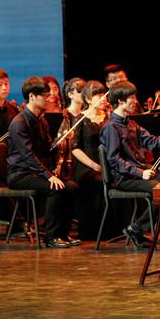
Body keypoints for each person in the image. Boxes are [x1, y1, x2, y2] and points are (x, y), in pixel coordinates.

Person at [99, 81, 160, 249]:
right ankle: (136, 229)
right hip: (125, 178)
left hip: (142, 173)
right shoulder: (110, 127)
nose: (135, 101)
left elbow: (152, 141)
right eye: (132, 98)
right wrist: (140, 172)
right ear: (121, 101)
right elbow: (114, 159)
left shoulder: (131, 124)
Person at [6, 77, 80, 248]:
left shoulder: (41, 120)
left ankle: (63, 233)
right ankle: (51, 236)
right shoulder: (19, 123)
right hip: (20, 174)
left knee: (72, 187)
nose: (48, 98)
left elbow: (47, 149)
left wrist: (61, 141)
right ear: (32, 96)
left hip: (34, 172)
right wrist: (48, 175)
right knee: (55, 188)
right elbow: (28, 156)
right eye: (45, 95)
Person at [72, 81, 109, 240]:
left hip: (107, 164)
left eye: (104, 94)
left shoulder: (109, 117)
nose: (103, 98)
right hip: (87, 167)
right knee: (99, 181)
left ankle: (113, 229)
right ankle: (93, 231)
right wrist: (94, 165)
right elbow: (75, 148)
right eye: (98, 95)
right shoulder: (80, 119)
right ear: (88, 99)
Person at [54, 77, 86, 181]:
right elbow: (57, 143)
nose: (84, 94)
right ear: (70, 95)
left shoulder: (88, 115)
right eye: (80, 91)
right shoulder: (63, 116)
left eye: (85, 91)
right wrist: (63, 136)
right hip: (70, 162)